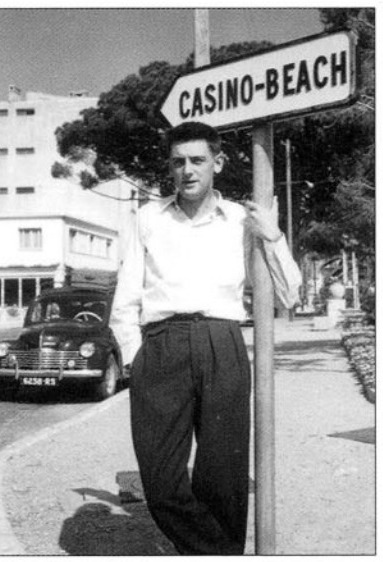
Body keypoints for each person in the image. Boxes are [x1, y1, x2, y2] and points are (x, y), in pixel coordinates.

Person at [110, 121, 301, 555]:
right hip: (162, 346)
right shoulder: (148, 217)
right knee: (160, 483)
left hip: (222, 343)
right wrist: (136, 359)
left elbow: (287, 294)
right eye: (178, 162)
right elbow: (126, 295)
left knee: (224, 480)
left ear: (218, 163)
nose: (188, 170)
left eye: (197, 160)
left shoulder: (240, 219)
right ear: (169, 167)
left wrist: (272, 235)